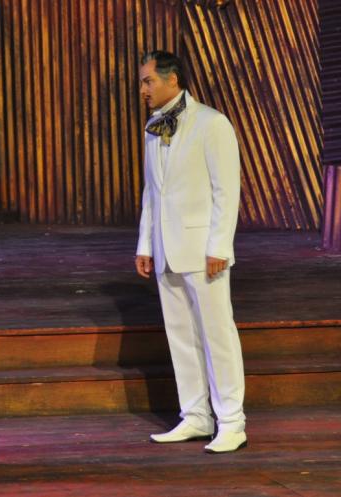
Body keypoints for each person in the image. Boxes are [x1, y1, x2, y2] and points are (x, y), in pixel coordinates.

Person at [135, 51, 246, 453]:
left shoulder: (212, 123)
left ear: (173, 79)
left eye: (148, 80)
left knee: (217, 333)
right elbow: (152, 191)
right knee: (181, 334)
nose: (143, 89)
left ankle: (231, 421)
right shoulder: (153, 127)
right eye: (142, 81)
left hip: (203, 251)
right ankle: (196, 415)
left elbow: (226, 190)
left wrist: (219, 246)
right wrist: (145, 244)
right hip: (167, 248)